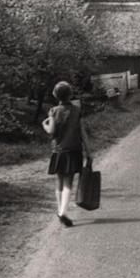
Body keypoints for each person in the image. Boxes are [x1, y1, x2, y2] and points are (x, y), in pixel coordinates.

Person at [42, 81, 92, 227]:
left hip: (58, 151)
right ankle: (63, 212)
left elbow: (51, 131)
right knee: (68, 182)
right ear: (70, 94)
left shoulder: (53, 111)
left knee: (59, 181)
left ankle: (60, 211)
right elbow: (82, 133)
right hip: (74, 150)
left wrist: (44, 125)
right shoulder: (77, 110)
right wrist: (89, 152)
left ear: (55, 95)